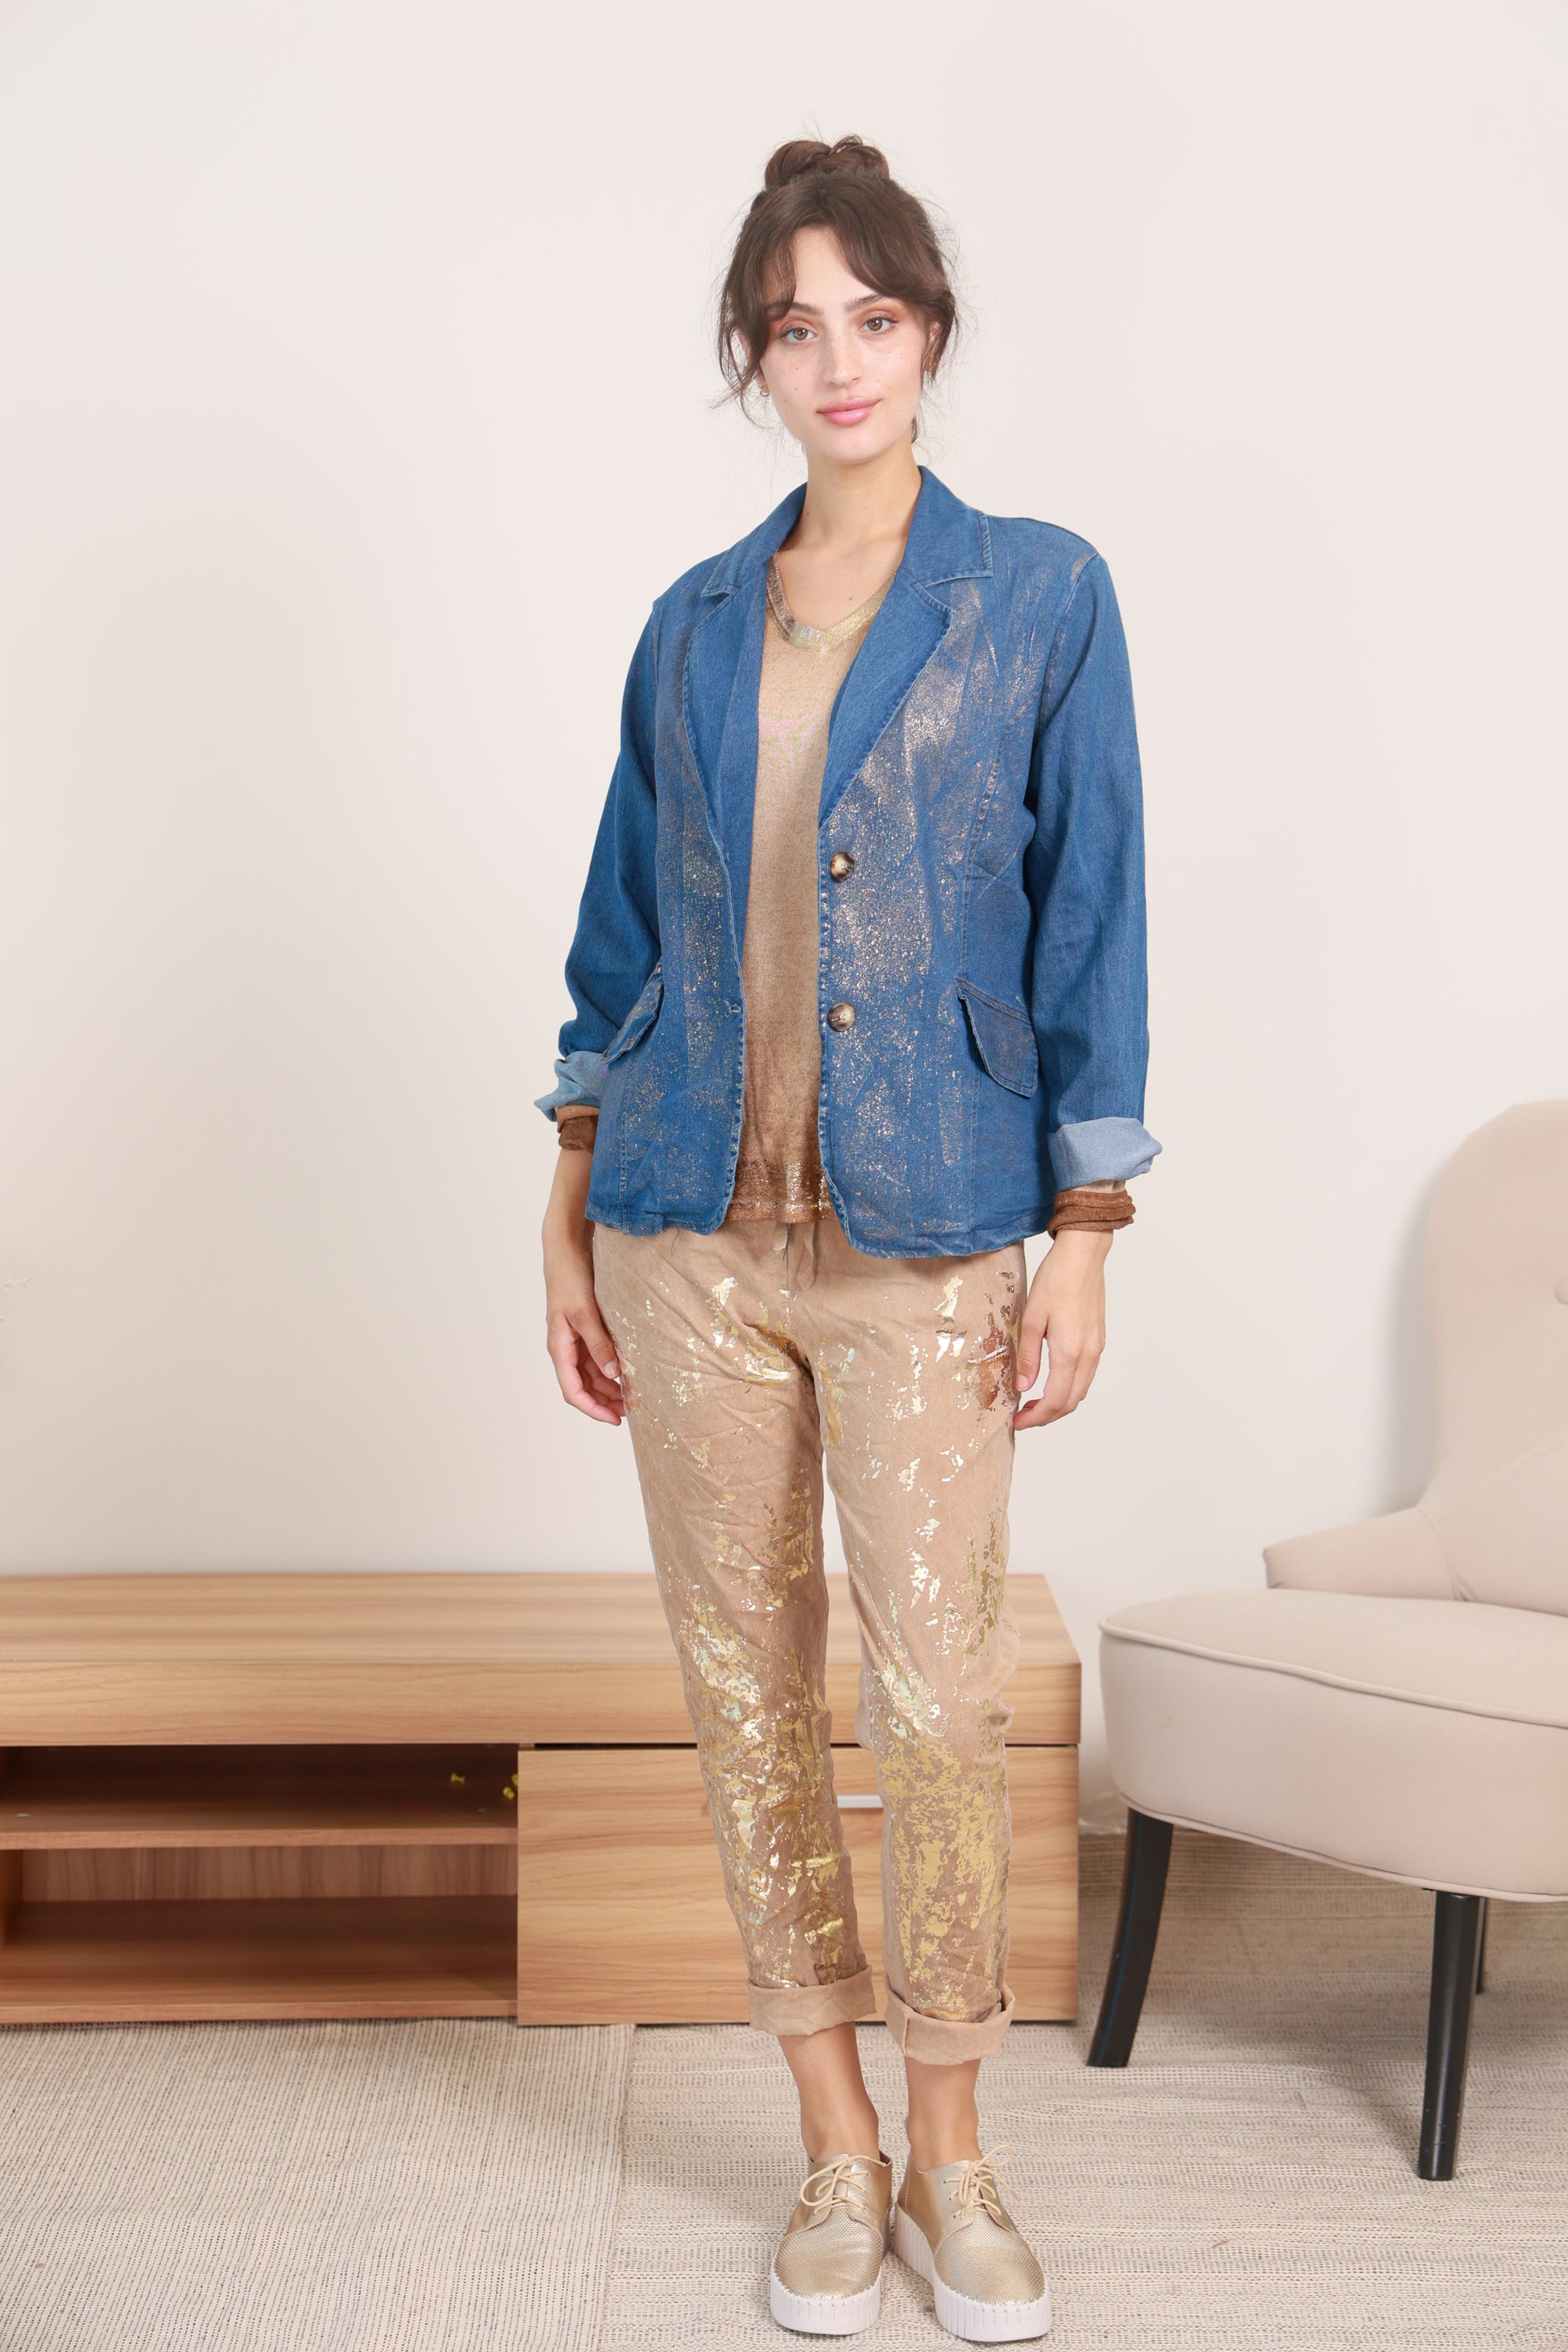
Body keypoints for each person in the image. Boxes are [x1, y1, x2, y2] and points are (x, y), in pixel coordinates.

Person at [537, 135, 1159, 2344]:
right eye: (792, 328)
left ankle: (952, 2154)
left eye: (871, 318)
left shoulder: (1039, 594)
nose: (836, 362)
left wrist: (1085, 1228)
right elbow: (617, 940)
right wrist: (565, 1215)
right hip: (684, 1231)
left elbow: (1090, 916)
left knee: (938, 1696)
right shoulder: (694, 621)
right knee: (746, 1694)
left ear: (929, 331)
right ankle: (829, 2142)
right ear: (755, 358)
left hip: (931, 1230)